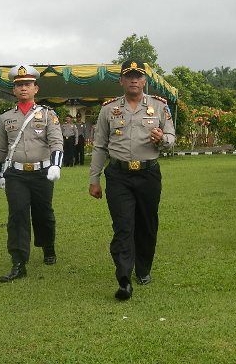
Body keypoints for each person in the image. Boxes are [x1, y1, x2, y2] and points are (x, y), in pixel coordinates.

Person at [89, 60, 175, 301]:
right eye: (129, 76)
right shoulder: (109, 110)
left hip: (149, 174)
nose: (134, 80)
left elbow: (171, 137)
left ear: (145, 80)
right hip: (119, 176)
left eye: (138, 76)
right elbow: (99, 146)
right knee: (123, 226)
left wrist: (162, 138)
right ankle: (124, 278)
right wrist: (94, 179)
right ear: (121, 81)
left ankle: (144, 269)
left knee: (147, 225)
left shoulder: (159, 107)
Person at [0, 64, 63, 282]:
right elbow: (1, 148)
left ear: (36, 89)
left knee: (43, 213)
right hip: (16, 174)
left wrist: (56, 165)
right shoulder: (6, 118)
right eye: (19, 85)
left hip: (42, 173)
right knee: (17, 215)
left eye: (28, 84)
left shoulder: (48, 114)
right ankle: (18, 262)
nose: (24, 88)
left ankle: (48, 246)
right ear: (14, 90)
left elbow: (56, 141)